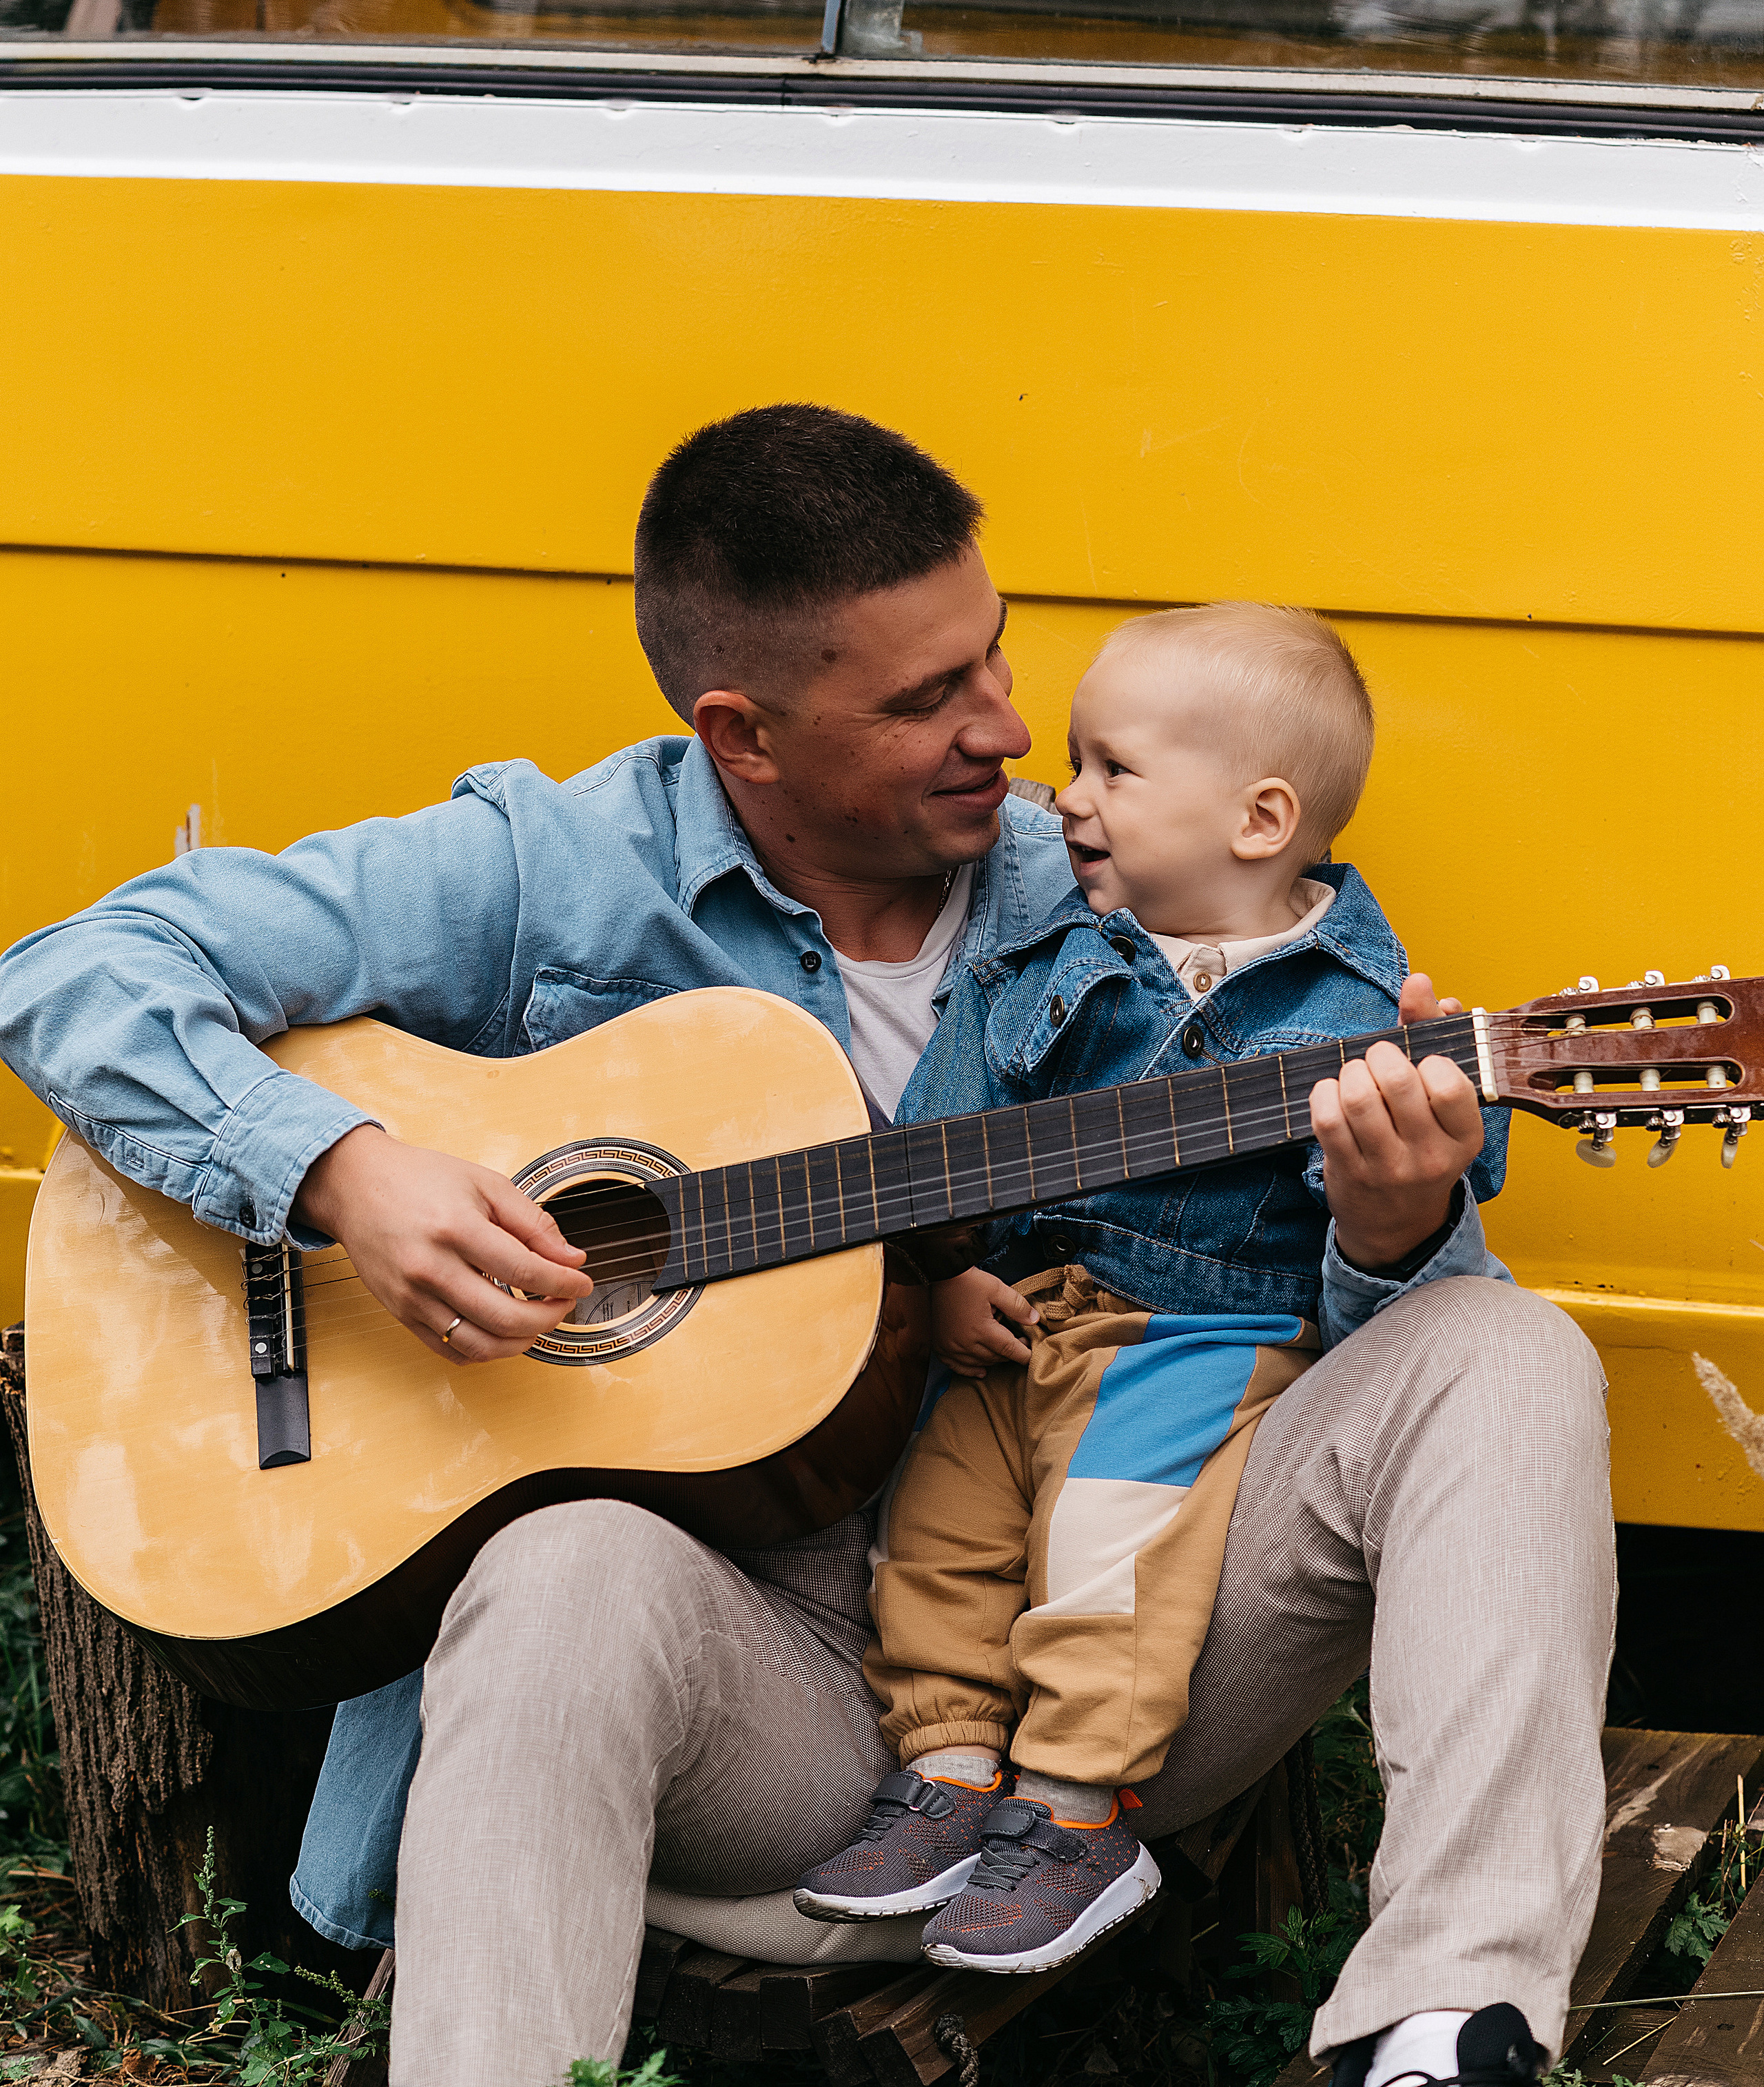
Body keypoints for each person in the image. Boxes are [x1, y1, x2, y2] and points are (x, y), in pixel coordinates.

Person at [0, 407, 1613, 2087]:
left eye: (992, 657)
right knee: (559, 1568)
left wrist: (1386, 1226)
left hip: (1121, 1620)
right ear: (741, 733)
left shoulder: (1113, 874)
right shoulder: (561, 867)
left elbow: (1324, 1307)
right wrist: (342, 1172)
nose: (1007, 734)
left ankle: (1443, 2026)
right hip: (768, 1681)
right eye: (924, 700)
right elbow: (73, 973)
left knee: (1498, 1347)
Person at [795, 602, 1509, 2007]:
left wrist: (1416, 1158)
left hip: (1196, 1336)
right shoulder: (1046, 963)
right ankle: (948, 1775)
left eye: (1111, 768)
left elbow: (1435, 1170)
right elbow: (941, 1139)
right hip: (1017, 1323)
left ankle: (1073, 1811)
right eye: (1074, 760)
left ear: (1258, 820)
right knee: (934, 1533)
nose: (1065, 797)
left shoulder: (1351, 1010)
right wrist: (943, 1272)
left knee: (1106, 1556)